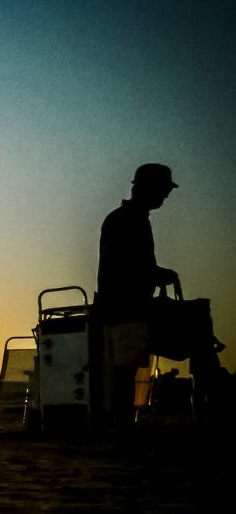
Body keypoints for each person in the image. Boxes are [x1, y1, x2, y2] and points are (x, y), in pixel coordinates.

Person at [96, 163, 179, 430]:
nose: (166, 196)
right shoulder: (129, 220)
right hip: (125, 307)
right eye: (164, 190)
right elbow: (130, 265)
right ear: (149, 189)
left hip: (122, 305)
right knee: (124, 369)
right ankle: (120, 424)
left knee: (125, 368)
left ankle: (119, 422)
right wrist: (159, 274)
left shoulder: (127, 218)